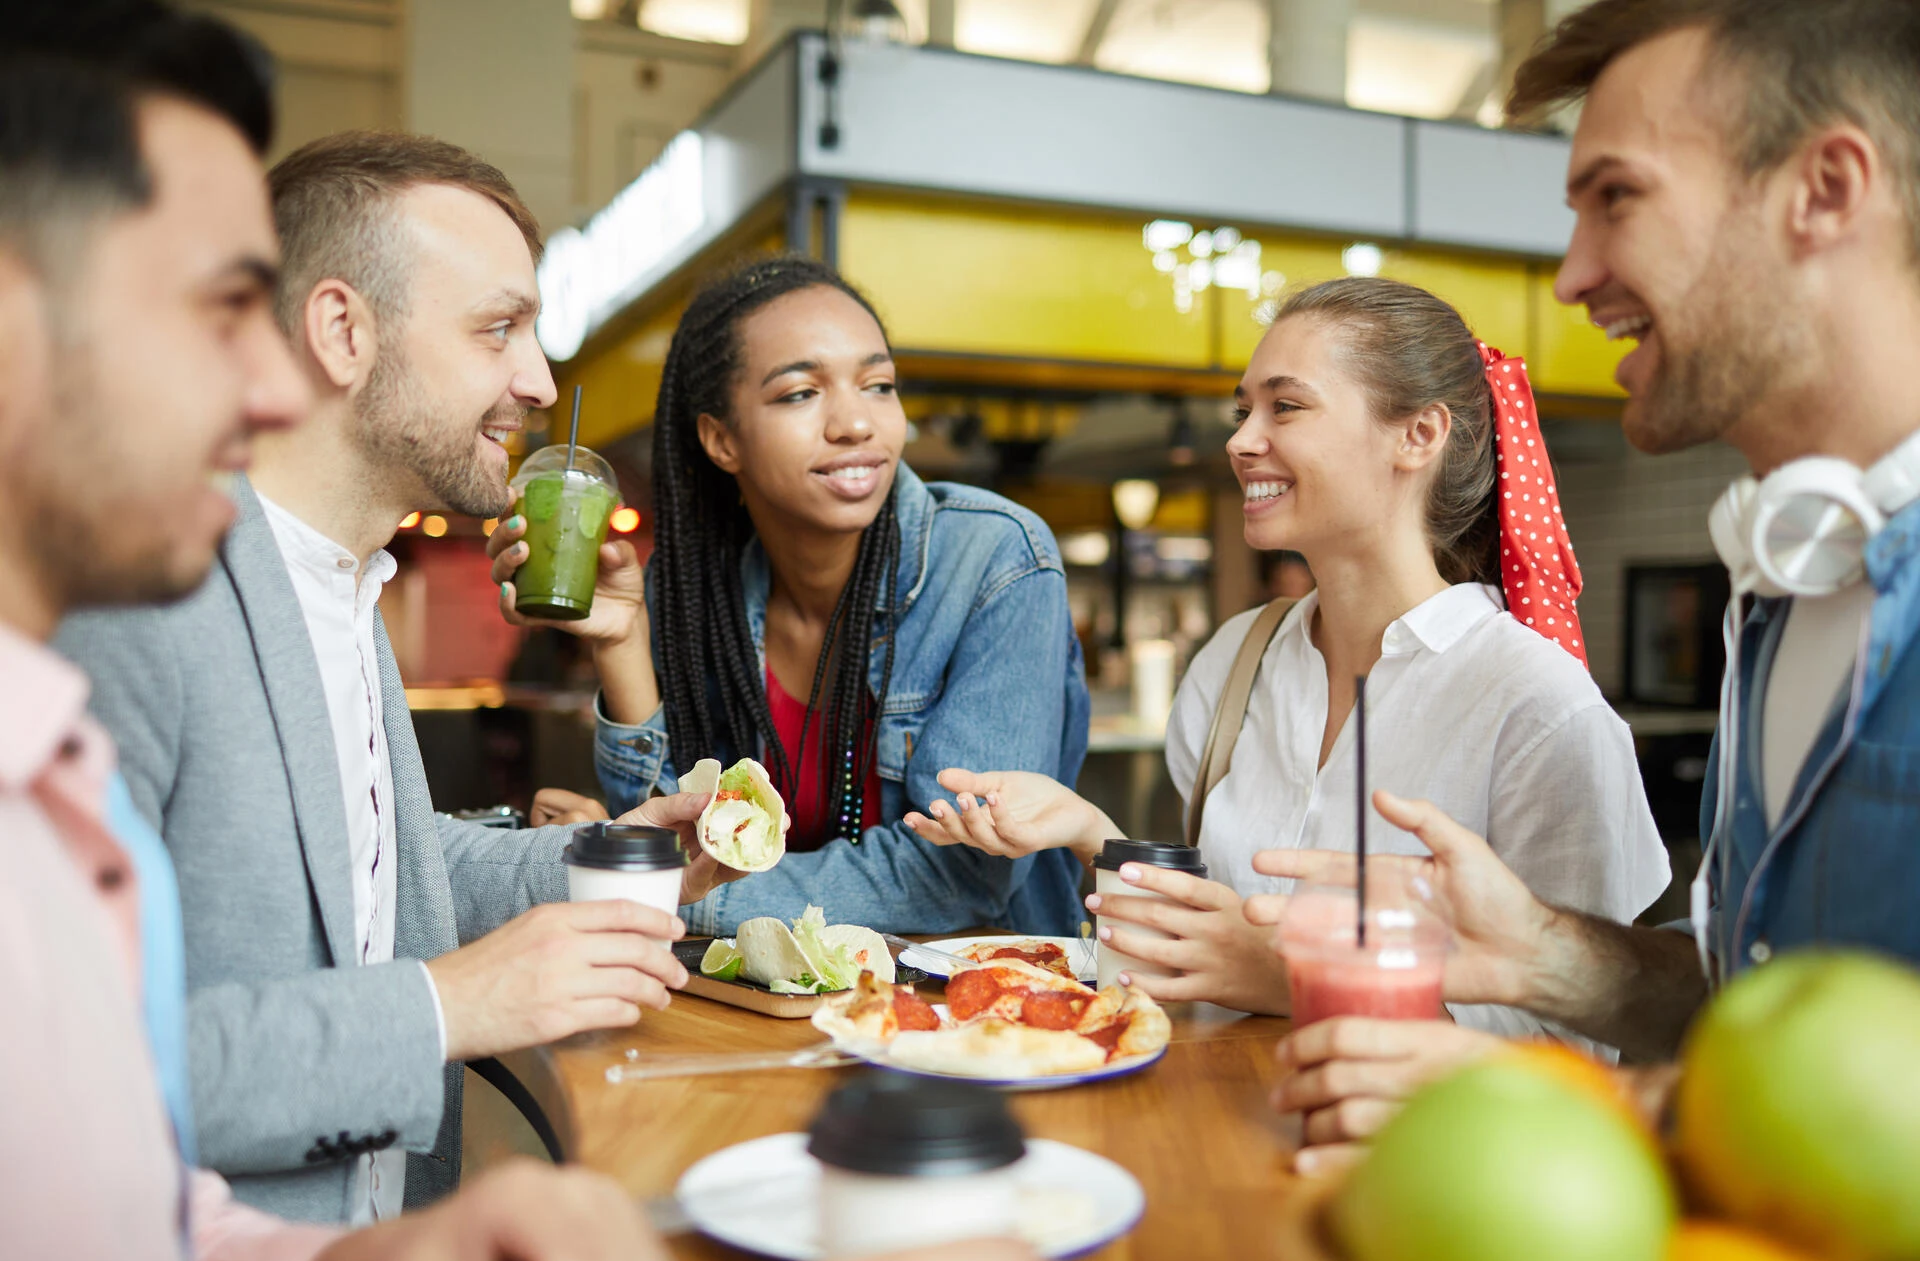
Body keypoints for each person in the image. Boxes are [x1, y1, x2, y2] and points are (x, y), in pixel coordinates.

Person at [1243, 0, 1920, 1173]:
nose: (1572, 277)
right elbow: (1756, 1002)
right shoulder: (1782, 590)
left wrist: (1578, 1100)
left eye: (1619, 197)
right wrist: (1554, 953)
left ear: (1826, 188)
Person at [52, 124, 747, 1224]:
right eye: (498, 328)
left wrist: (623, 853)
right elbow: (72, 1076)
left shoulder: (341, 584)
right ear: (341, 329)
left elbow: (384, 886)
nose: (540, 377)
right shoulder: (133, 602)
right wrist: (447, 1006)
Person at [907, 277, 1670, 1036]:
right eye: (1244, 410)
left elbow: (1573, 1046)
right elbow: (1212, 948)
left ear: (1420, 435)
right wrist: (1087, 830)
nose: (1240, 440)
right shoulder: (1236, 661)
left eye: (1288, 406)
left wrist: (1290, 979)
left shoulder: (1538, 708)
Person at [488, 256, 1091, 936]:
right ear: (721, 440)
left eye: (879, 385)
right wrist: (621, 640)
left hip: (970, 1014)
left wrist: (664, 885)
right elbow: (680, 837)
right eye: (801, 393)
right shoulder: (696, 591)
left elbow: (957, 876)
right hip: (768, 1011)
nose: (856, 423)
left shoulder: (994, 558)